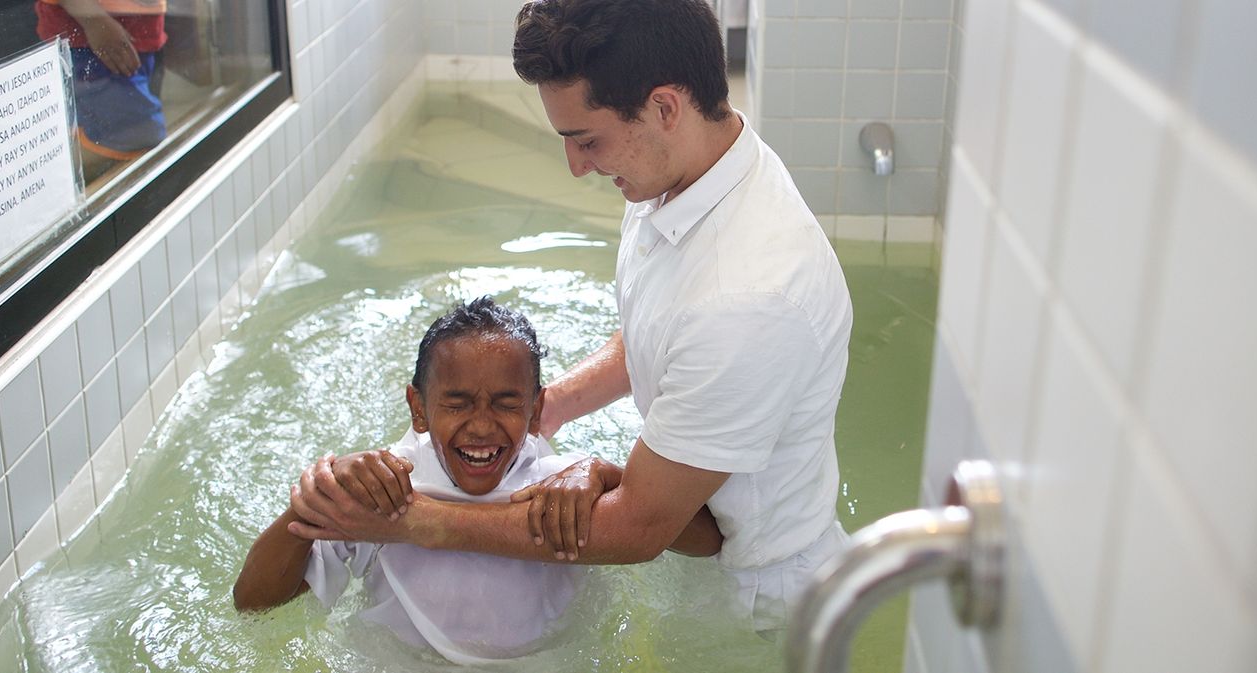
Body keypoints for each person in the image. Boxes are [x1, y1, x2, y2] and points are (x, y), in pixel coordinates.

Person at [289, 0, 853, 634]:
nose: (578, 166)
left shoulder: (750, 296)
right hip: (696, 528)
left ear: (665, 107)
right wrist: (545, 408)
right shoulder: (682, 177)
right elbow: (659, 331)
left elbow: (637, 528)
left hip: (756, 601)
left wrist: (416, 522)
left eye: (588, 140)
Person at [232, 298, 718, 662]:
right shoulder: (383, 490)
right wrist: (309, 504)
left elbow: (706, 541)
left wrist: (611, 477)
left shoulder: (559, 483)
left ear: (535, 410)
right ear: (419, 409)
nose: (482, 426)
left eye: (507, 403)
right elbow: (253, 604)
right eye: (457, 403)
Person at [34, 0, 167, 173]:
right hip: (92, 37)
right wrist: (95, 21)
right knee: (135, 135)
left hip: (138, 31)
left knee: (132, 137)